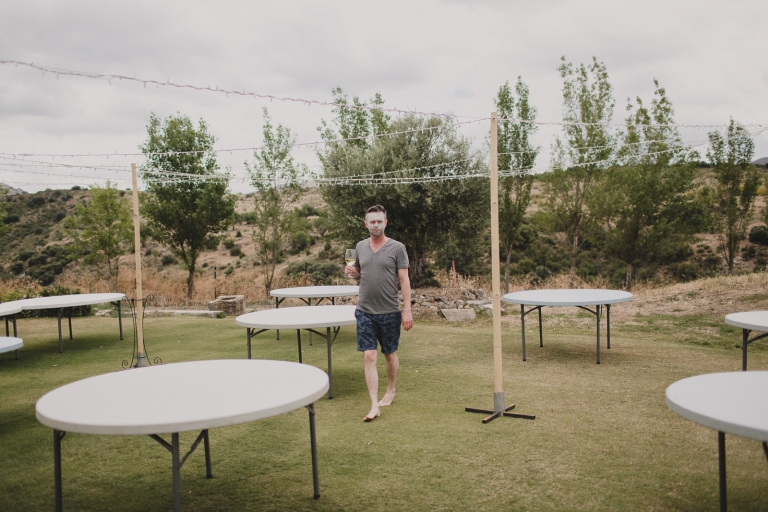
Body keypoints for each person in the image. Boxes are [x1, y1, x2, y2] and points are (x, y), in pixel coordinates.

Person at [345, 205, 413, 422]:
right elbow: (359, 275)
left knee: (389, 354)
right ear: (366, 224)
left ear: (386, 223)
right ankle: (374, 405)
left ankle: (391, 390)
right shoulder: (360, 247)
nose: (376, 225)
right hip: (364, 310)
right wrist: (352, 273)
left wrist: (407, 310)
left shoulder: (397, 248)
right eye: (371, 221)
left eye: (379, 221)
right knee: (369, 355)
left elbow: (404, 280)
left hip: (389, 311)